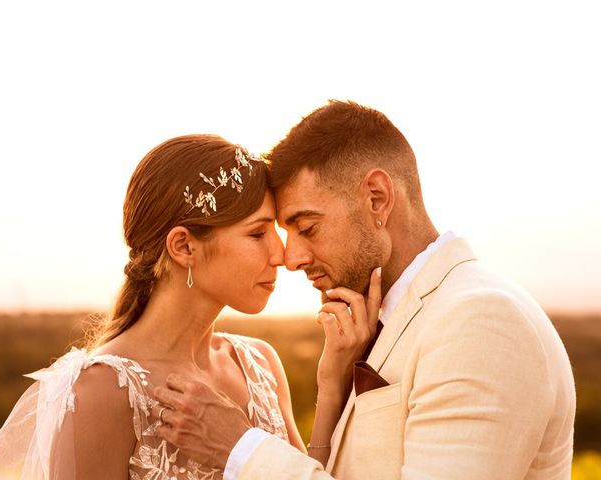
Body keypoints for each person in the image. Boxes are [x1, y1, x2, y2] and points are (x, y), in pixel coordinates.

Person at [154, 101, 577, 479]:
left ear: (376, 198)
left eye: (307, 227)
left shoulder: (480, 323)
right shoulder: (397, 319)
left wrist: (242, 449)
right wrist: (334, 382)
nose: (292, 257)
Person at [0, 134, 375, 479]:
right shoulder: (101, 392)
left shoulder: (260, 364)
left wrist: (332, 380)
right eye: (257, 234)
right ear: (184, 246)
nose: (281, 256)